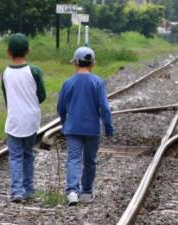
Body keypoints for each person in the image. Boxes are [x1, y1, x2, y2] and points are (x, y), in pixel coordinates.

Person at [57, 47, 114, 206]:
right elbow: (105, 108)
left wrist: (64, 123)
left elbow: (60, 108)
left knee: (73, 159)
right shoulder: (97, 82)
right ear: (93, 63)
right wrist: (109, 128)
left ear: (75, 62)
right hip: (92, 129)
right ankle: (87, 192)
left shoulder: (68, 83)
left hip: (73, 128)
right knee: (89, 160)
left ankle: (72, 192)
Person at [1, 33, 46, 203]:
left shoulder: (5, 73)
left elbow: (7, 98)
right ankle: (29, 190)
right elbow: (41, 95)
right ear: (28, 50)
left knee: (15, 157)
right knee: (28, 154)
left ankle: (16, 191)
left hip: (14, 121)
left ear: (8, 52)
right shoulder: (34, 71)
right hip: (32, 121)